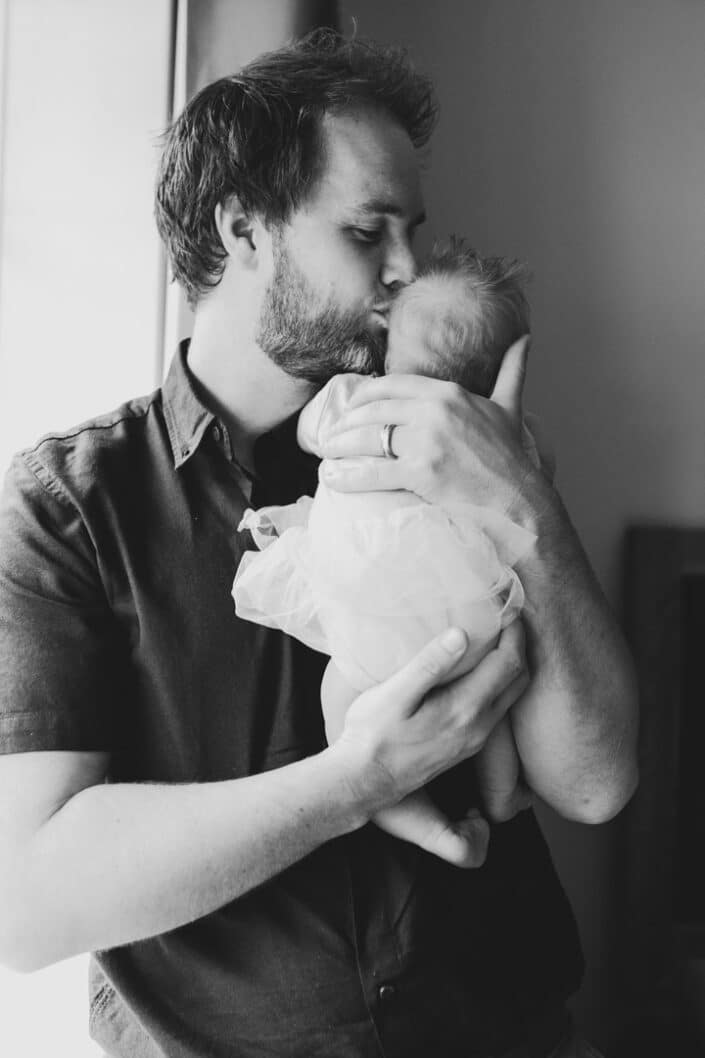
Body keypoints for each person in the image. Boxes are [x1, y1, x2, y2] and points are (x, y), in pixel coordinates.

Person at [0, 30, 638, 1058]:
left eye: (412, 232)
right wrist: (357, 780)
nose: (406, 269)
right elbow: (28, 904)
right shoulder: (70, 508)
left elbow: (598, 781)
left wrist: (523, 497)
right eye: (366, 230)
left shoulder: (451, 438)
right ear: (244, 229)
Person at [234, 242, 541, 868]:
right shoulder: (492, 433)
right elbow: (528, 484)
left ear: (392, 348)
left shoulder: (356, 396)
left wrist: (323, 430)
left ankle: (434, 832)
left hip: (370, 625)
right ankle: (502, 793)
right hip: (467, 616)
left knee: (342, 714)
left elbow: (304, 430)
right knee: (496, 693)